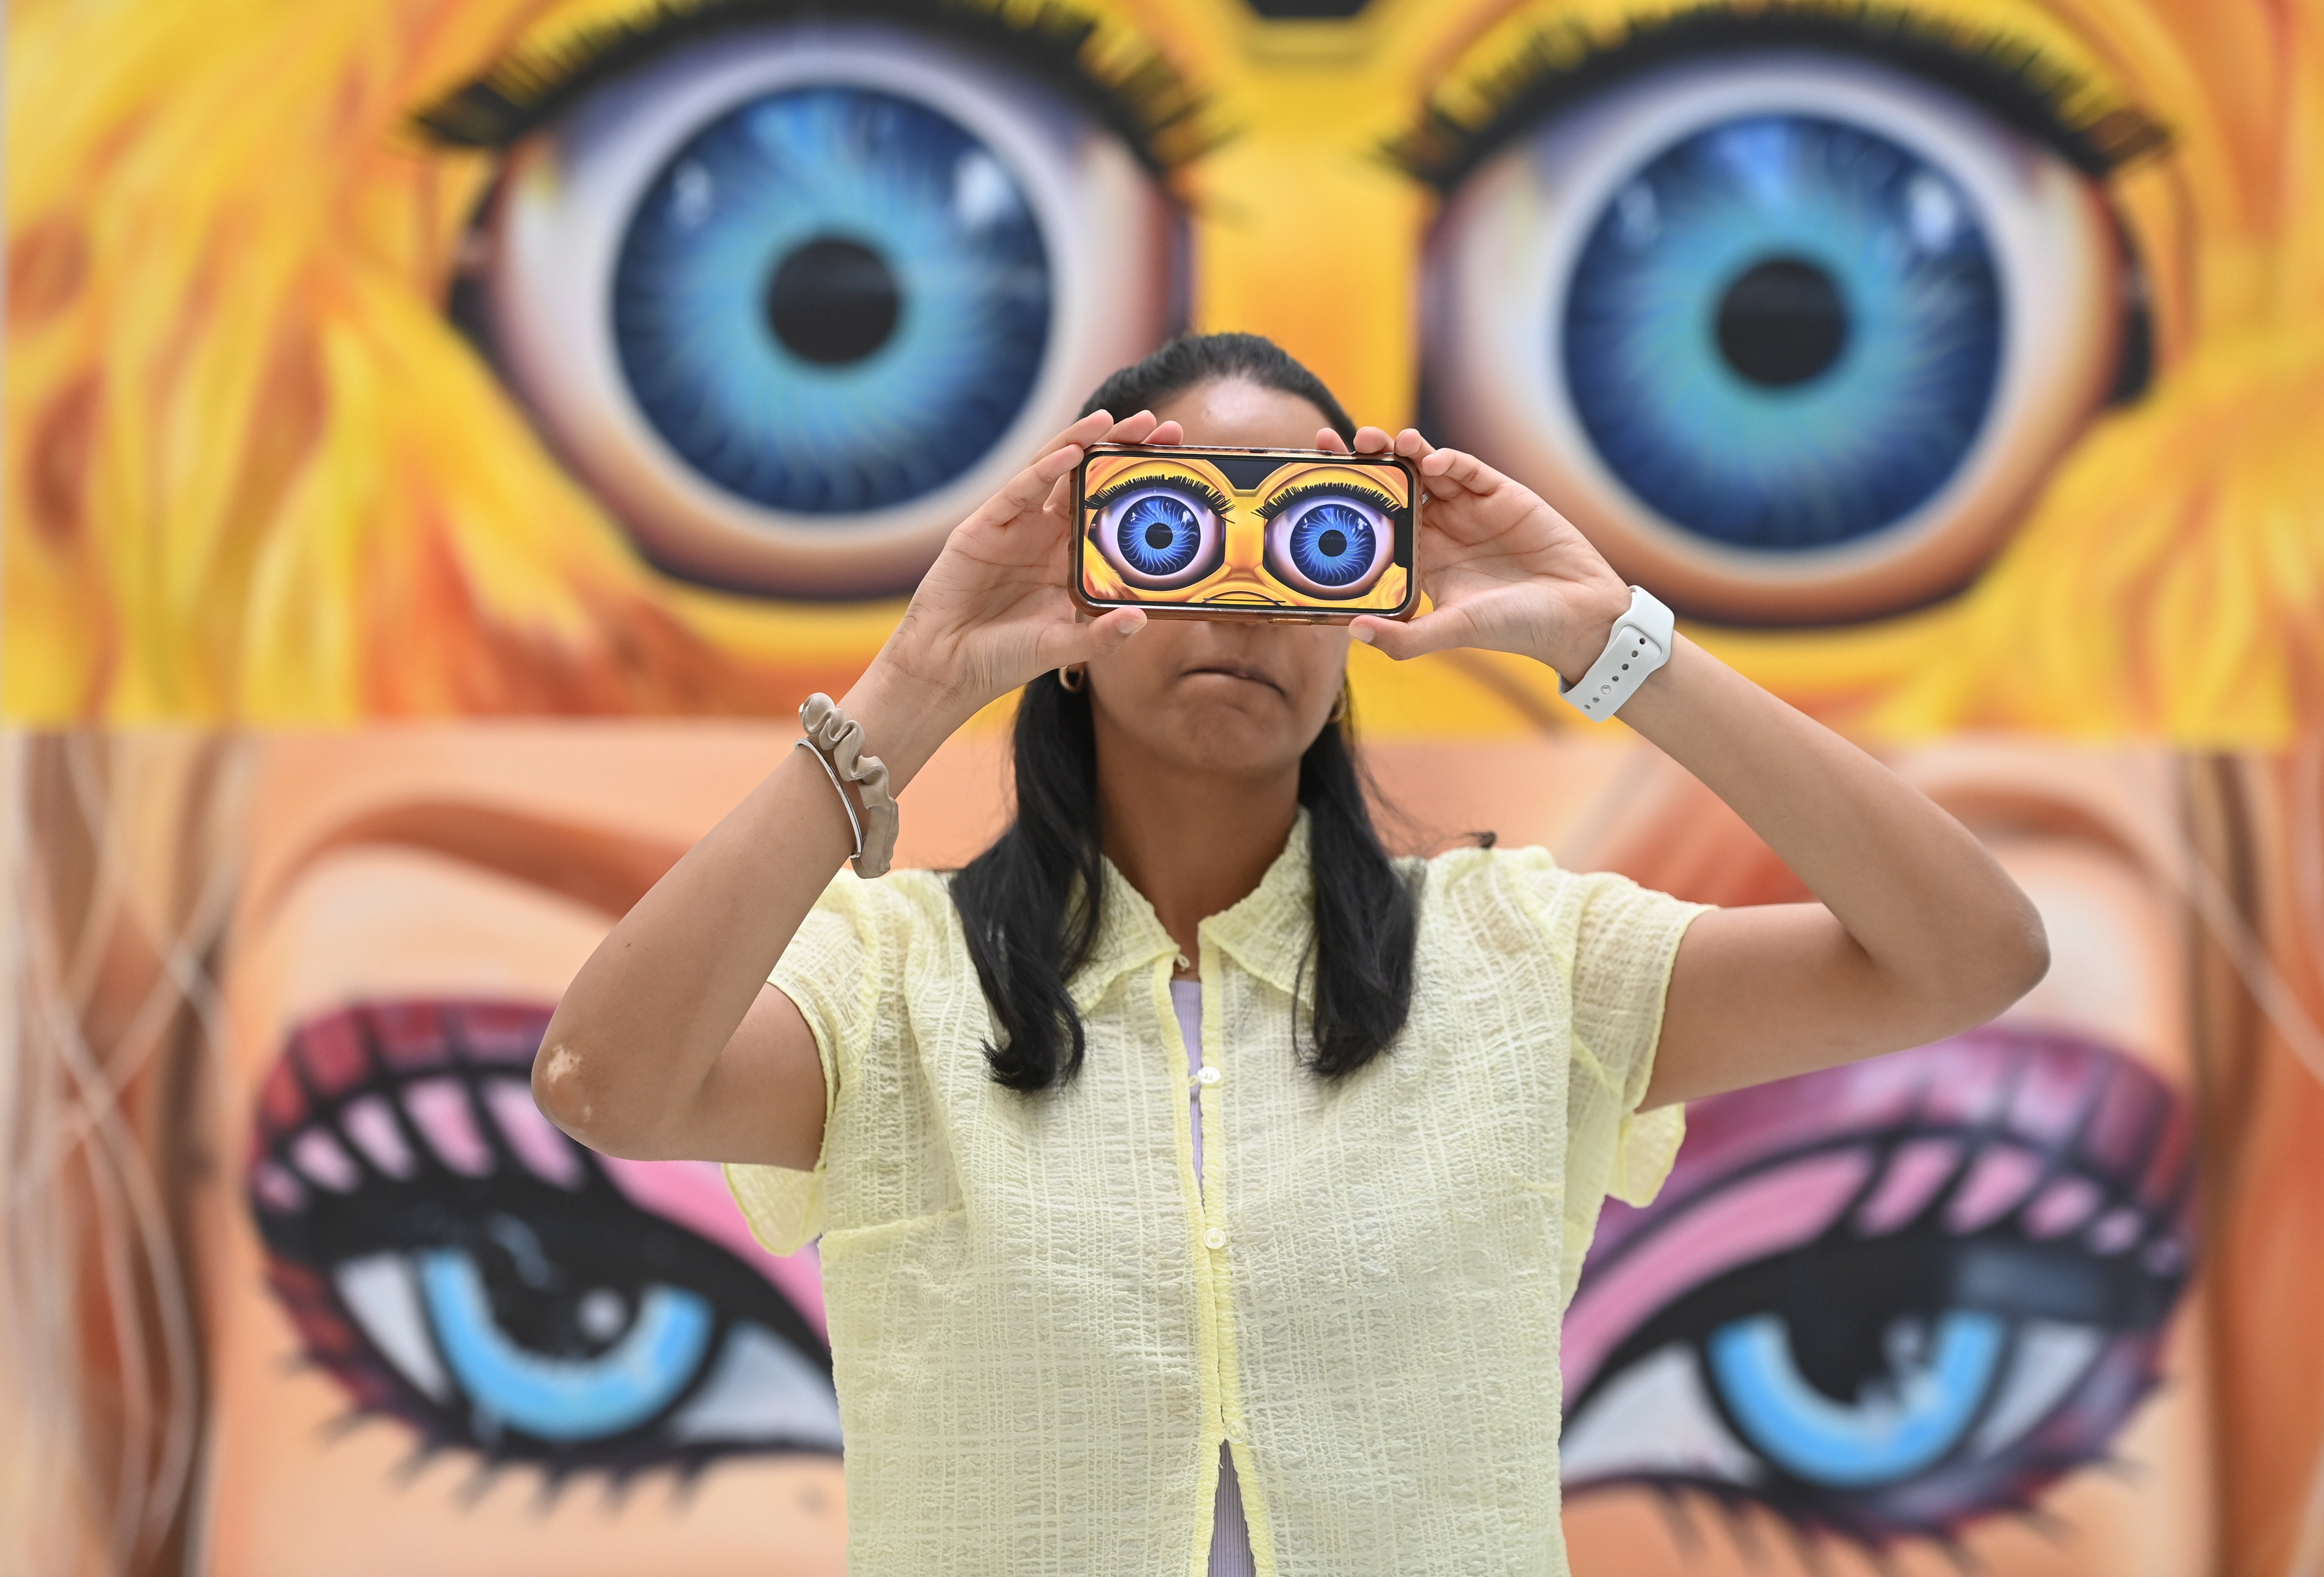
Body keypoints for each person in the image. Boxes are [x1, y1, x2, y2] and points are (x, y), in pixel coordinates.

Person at [532, 333, 2050, 1577]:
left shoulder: (1523, 961)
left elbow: (1966, 956)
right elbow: (606, 1081)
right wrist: (916, 686)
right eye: (1173, 529)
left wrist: (1613, 641)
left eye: (1320, 536)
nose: (1248, 592)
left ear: (1369, 594)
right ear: (1079, 579)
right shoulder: (892, 986)